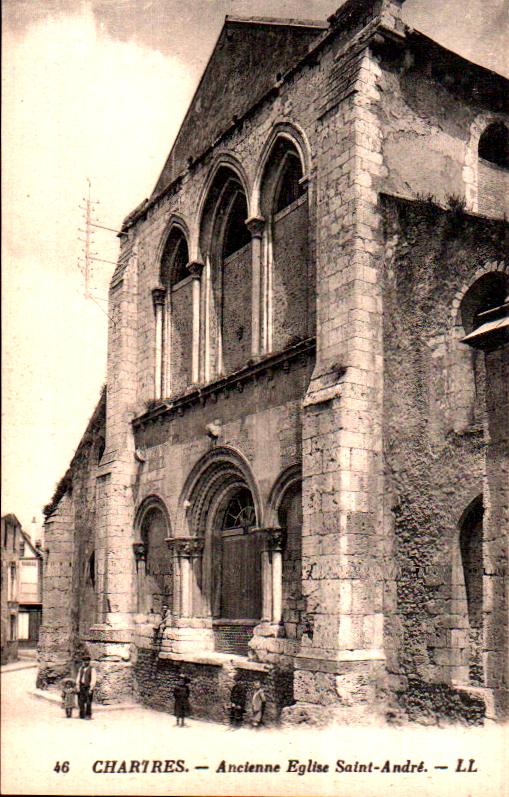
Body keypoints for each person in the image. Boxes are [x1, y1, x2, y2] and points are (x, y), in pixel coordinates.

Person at [75, 653, 97, 720]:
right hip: (81, 686)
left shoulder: (92, 669)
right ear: (83, 661)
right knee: (80, 701)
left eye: (87, 661)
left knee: (88, 702)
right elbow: (78, 677)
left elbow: (93, 679)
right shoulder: (81, 668)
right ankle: (82, 714)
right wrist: (77, 686)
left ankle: (88, 715)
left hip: (88, 687)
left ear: (89, 661)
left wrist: (91, 688)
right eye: (84, 661)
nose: (86, 662)